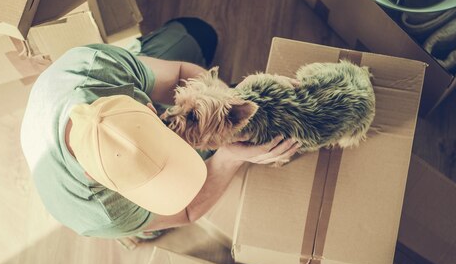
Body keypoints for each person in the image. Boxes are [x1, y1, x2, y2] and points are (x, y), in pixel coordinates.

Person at [20, 19, 300, 240]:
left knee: (200, 33)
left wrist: (225, 110)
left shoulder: (96, 67)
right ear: (92, 176)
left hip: (102, 82)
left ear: (150, 108)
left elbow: (179, 74)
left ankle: (152, 67)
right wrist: (230, 158)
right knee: (195, 175)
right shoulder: (106, 213)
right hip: (109, 212)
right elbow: (188, 212)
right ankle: (145, 229)